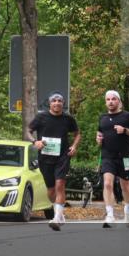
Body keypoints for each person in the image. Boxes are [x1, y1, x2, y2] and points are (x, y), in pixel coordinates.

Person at [28, 92, 80, 231]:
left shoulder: (68, 118)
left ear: (63, 103)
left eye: (59, 101)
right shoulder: (41, 117)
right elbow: (28, 130)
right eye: (54, 101)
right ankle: (59, 213)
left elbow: (77, 134)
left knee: (60, 185)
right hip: (45, 158)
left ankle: (57, 218)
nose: (57, 103)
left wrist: (74, 146)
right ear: (50, 104)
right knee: (51, 191)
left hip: (63, 157)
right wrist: (35, 142)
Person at [94, 90, 129, 228]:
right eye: (108, 99)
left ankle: (128, 209)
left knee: (125, 185)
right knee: (107, 184)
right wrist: (98, 139)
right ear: (105, 102)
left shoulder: (128, 116)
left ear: (119, 101)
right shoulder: (102, 118)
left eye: (113, 99)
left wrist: (125, 130)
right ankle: (110, 214)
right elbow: (99, 133)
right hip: (108, 156)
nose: (111, 102)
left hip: (126, 156)